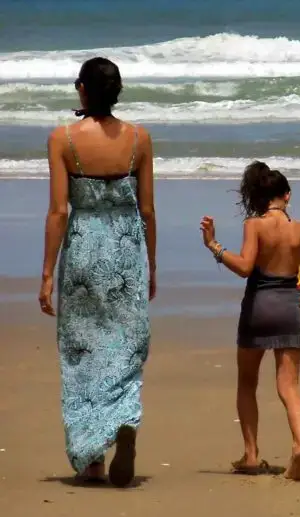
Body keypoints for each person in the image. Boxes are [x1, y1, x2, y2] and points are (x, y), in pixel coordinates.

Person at [38, 57, 157, 487]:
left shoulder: (63, 139)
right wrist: (152, 263)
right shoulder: (140, 139)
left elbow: (57, 212)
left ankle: (92, 459)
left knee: (82, 352)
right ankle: (124, 420)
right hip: (127, 250)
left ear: (84, 90)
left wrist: (48, 274)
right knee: (126, 346)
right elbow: (147, 209)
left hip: (85, 248)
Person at [199, 161, 300, 482]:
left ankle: (251, 454)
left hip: (258, 307)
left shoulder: (255, 225)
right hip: (287, 308)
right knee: (290, 387)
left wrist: (213, 245)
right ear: (287, 195)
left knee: (247, 383)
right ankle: (299, 445)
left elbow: (244, 267)